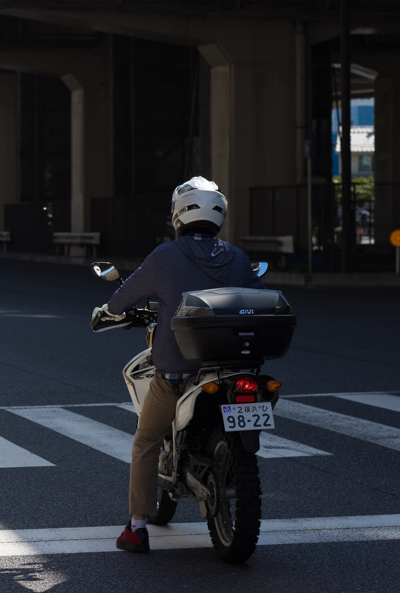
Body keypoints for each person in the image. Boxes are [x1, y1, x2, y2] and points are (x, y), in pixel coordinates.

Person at [93, 176, 265, 554]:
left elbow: (124, 296)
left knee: (146, 440)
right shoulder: (236, 256)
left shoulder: (165, 255)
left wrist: (107, 312)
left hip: (179, 373)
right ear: (219, 214)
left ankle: (137, 528)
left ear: (179, 214)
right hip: (234, 368)